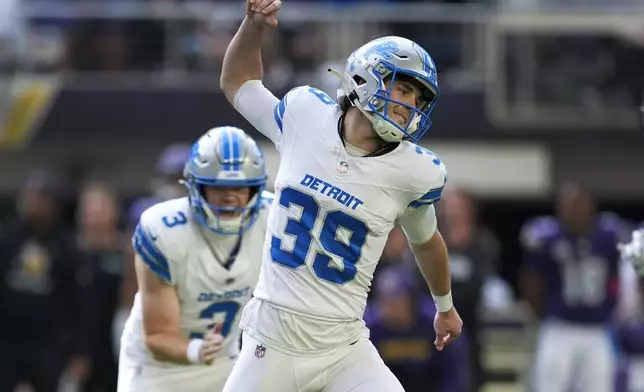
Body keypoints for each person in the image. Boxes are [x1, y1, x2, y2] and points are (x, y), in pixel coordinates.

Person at [219, 1, 463, 391]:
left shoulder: (414, 171)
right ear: (367, 78)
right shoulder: (305, 115)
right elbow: (238, 83)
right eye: (403, 88)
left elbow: (427, 242)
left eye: (418, 100)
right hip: (272, 340)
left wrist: (445, 307)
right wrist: (253, 25)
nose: (408, 108)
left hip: (342, 347)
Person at [117, 126, 272, 392]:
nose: (230, 197)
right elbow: (157, 336)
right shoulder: (164, 230)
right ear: (196, 187)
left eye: (240, 187)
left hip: (223, 359)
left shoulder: (273, 216)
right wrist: (196, 350)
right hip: (158, 370)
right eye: (219, 186)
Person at [519, 183, 625, 392]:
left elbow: (621, 277)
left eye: (579, 205)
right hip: (559, 327)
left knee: (600, 386)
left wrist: (614, 309)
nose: (573, 211)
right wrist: (542, 314)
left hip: (597, 329)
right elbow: (530, 280)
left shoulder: (608, 235)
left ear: (591, 207)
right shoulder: (546, 237)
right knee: (549, 385)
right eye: (568, 205)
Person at [365, 266, 469, 392]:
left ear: (411, 299)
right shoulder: (367, 328)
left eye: (397, 300)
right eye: (385, 301)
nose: (391, 308)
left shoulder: (435, 324)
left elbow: (454, 372)